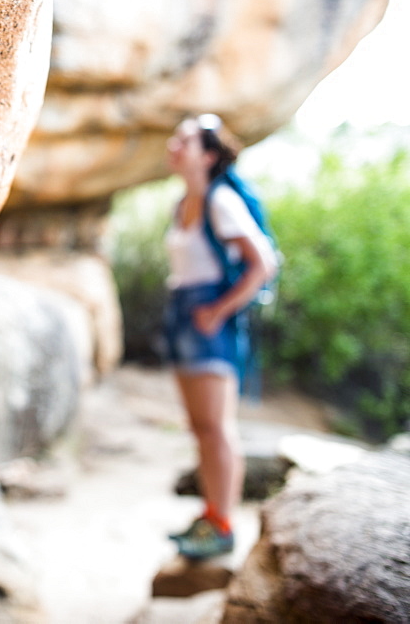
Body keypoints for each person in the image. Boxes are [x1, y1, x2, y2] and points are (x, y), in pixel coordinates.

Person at [162, 114, 278, 560]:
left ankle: (223, 525)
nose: (174, 144)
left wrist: (218, 310)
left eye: (184, 139)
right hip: (185, 316)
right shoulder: (184, 201)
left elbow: (263, 263)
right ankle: (210, 516)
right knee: (200, 427)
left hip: (210, 320)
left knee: (216, 428)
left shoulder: (221, 200)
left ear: (208, 155)